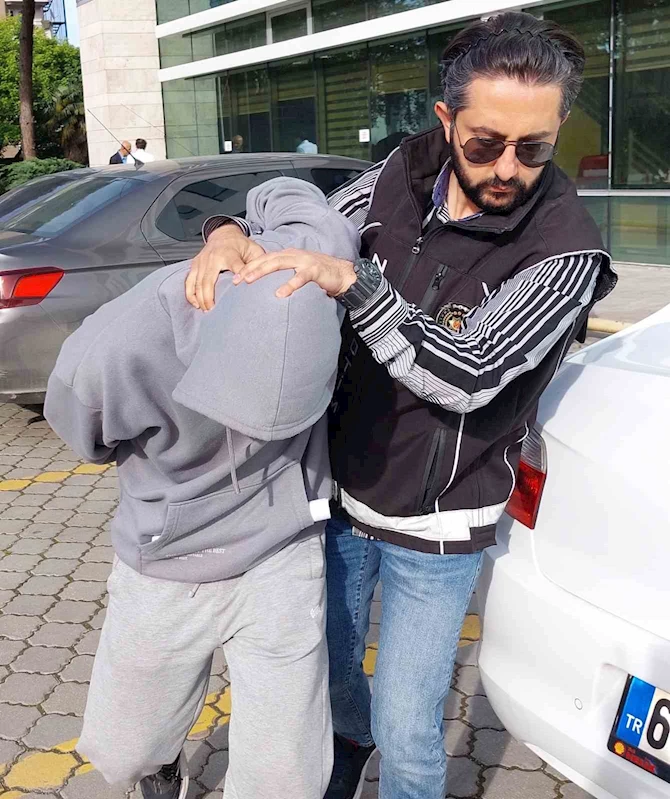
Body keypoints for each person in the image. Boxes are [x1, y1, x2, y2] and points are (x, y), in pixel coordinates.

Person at [187, 11, 617, 799]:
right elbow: (309, 230)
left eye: (534, 148)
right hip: (341, 493)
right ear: (447, 119)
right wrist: (226, 232)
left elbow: (469, 372)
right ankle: (346, 750)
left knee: (408, 726)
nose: (508, 169)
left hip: (438, 526)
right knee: (331, 670)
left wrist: (358, 285)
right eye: (485, 143)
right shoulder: (399, 173)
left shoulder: (566, 250)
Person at [44, 177, 360, 799]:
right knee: (123, 749)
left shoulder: (310, 255)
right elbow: (82, 430)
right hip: (167, 556)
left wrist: (231, 227)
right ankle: (160, 763)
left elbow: (286, 188)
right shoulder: (119, 348)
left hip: (282, 552)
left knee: (286, 778)